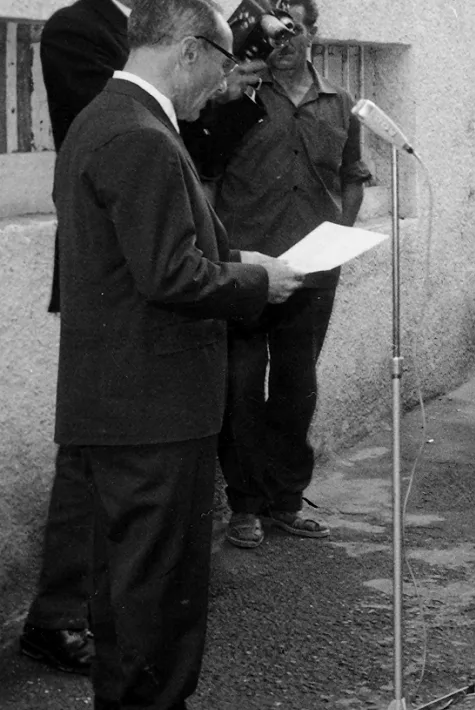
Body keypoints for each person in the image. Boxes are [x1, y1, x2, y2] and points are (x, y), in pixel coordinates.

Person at [52, 0, 303, 705]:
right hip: (153, 410)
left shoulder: (106, 118)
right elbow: (170, 275)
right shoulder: (141, 135)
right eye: (222, 64)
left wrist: (238, 257)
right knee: (155, 602)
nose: (224, 82)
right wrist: (258, 281)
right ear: (189, 50)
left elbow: (140, 249)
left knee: (129, 591)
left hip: (125, 402)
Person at [212, 0, 371, 549]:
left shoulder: (339, 102)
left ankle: (285, 501)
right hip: (247, 270)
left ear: (313, 34)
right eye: (269, 32)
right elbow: (208, 178)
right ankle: (244, 506)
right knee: (241, 386)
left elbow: (353, 176)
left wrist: (338, 236)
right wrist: (225, 253)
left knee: (296, 387)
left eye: (291, 29)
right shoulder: (240, 98)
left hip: (312, 274)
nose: (280, 42)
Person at [20, 0, 132, 675]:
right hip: (108, 271)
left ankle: (106, 602)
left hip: (169, 261)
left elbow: (203, 148)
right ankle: (56, 615)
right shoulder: (80, 29)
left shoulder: (157, 27)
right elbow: (110, 136)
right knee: (90, 448)